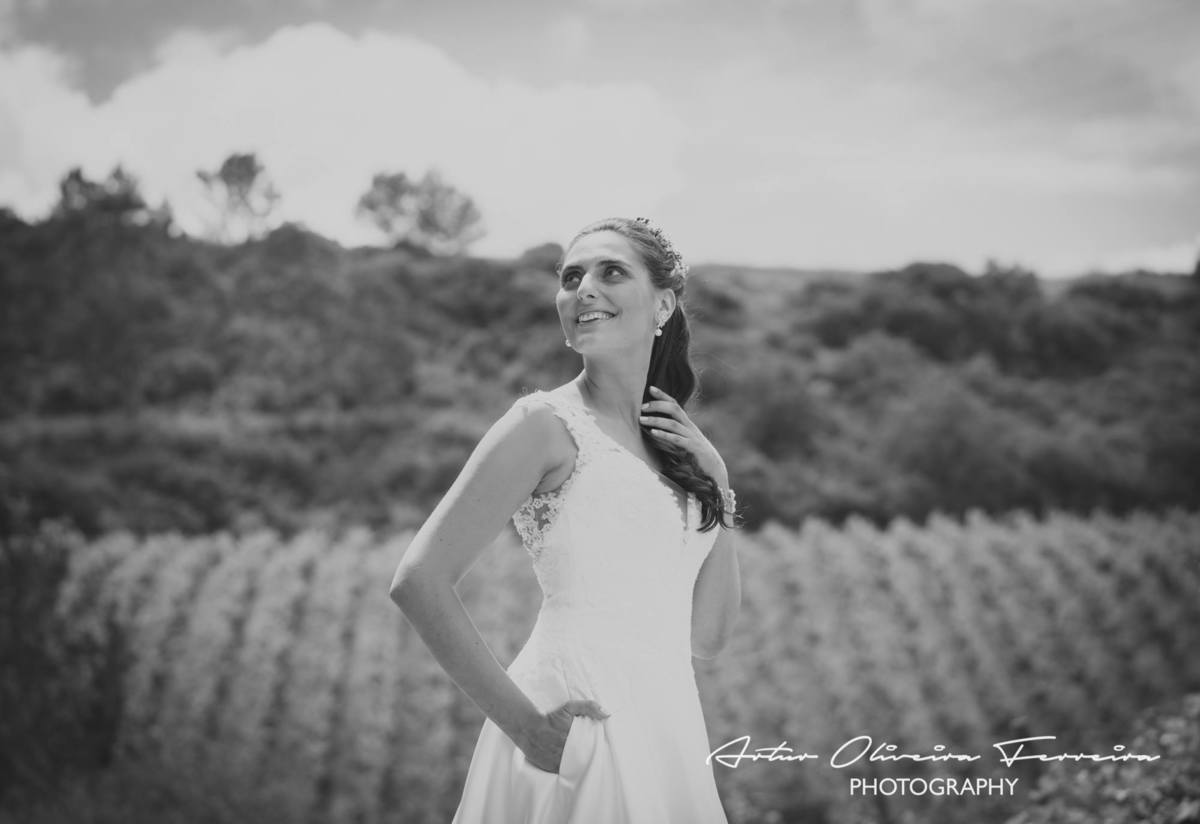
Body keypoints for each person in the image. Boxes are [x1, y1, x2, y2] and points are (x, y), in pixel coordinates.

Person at [390, 216, 742, 822]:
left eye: (612, 272)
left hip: (667, 728)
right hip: (575, 724)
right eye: (571, 276)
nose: (584, 289)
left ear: (664, 304)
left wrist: (720, 487)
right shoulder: (543, 424)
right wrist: (527, 729)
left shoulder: (678, 452)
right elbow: (418, 581)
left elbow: (706, 638)